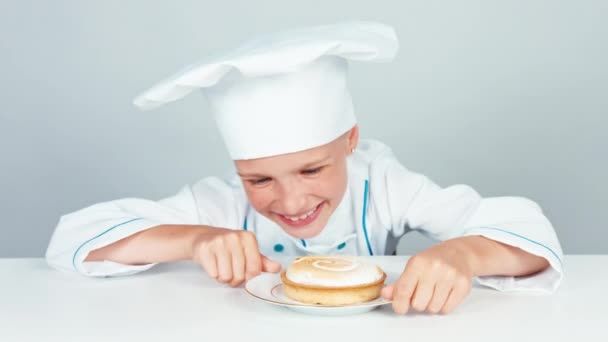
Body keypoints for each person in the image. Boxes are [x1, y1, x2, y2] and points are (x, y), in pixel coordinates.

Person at [46, 21, 563, 315]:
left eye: (313, 170)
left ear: (350, 141)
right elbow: (74, 238)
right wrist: (193, 239)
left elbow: (526, 231)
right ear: (237, 170)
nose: (290, 202)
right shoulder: (218, 204)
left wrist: (463, 255)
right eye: (259, 179)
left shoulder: (383, 185)